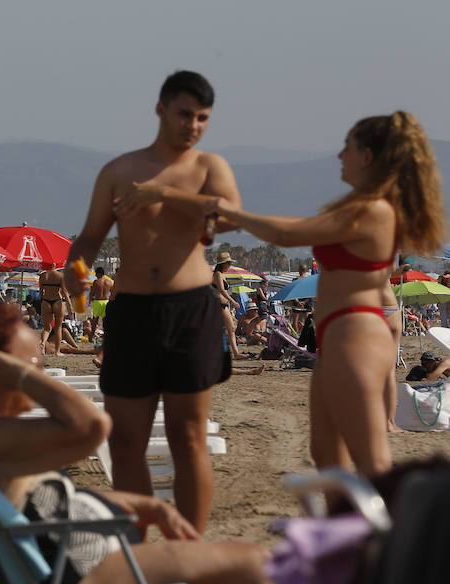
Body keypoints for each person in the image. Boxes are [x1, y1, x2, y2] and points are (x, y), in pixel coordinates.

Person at [0, 305, 335, 584]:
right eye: (33, 364)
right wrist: (23, 376)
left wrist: (145, 505)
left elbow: (42, 501)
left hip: (59, 564)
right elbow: (94, 427)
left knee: (251, 571)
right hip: (70, 577)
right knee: (256, 567)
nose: (40, 373)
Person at [143, 111, 446, 480]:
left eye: (346, 148)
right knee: (326, 452)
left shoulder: (376, 210)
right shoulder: (355, 206)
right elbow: (288, 231)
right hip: (337, 333)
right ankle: (351, 527)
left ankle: (388, 533)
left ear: (368, 157)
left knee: (368, 455)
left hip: (360, 332)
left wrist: (228, 210)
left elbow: (290, 234)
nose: (339, 156)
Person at [66, 70, 240, 533]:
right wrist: (75, 269)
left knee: (188, 438)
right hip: (134, 310)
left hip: (191, 308)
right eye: (185, 114)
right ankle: (136, 544)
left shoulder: (209, 168)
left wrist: (162, 193)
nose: (193, 125)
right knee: (126, 441)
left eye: (203, 117)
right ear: (161, 109)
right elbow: (88, 239)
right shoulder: (120, 171)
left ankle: (189, 544)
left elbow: (227, 218)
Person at [212, 253, 243, 361]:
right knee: (227, 330)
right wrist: (233, 301)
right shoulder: (217, 274)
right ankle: (235, 353)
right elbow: (221, 290)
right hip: (218, 305)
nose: (230, 265)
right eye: (229, 263)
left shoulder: (221, 274)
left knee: (230, 329)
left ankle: (236, 353)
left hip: (223, 305)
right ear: (223, 263)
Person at [37, 267, 70, 355]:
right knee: (58, 327)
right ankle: (57, 351)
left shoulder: (42, 276)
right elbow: (65, 291)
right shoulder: (60, 276)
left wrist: (42, 302)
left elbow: (40, 292)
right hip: (57, 301)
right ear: (54, 265)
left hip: (45, 301)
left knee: (47, 328)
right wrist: (70, 305)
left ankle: (43, 343)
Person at [86, 266, 112, 341]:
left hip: (98, 301)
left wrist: (89, 302)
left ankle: (91, 338)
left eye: (96, 274)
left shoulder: (96, 282)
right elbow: (113, 292)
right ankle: (107, 336)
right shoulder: (109, 282)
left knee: (95, 321)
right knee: (106, 320)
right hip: (106, 301)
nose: (95, 276)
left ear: (99, 274)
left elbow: (92, 293)